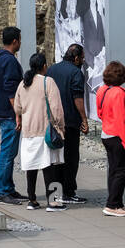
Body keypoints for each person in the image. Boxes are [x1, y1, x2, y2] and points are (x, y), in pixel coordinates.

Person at [14, 52, 67, 212]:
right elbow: (57, 108)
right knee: (50, 166)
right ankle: (53, 201)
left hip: (29, 132)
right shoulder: (48, 82)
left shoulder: (23, 83)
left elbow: (17, 107)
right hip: (46, 131)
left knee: (31, 167)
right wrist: (61, 127)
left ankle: (32, 199)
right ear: (44, 66)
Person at [0, 26, 26, 204]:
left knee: (9, 151)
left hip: (0, 109)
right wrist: (18, 114)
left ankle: (8, 188)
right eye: (19, 39)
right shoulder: (10, 61)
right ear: (14, 41)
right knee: (8, 152)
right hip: (8, 113)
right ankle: (2, 190)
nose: (20, 42)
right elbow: (11, 89)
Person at [47, 43, 88, 204]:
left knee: (56, 157)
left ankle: (56, 193)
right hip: (70, 122)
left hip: (54, 122)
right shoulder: (76, 73)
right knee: (71, 158)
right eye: (82, 58)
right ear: (76, 58)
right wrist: (84, 119)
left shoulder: (52, 69)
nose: (83, 61)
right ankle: (69, 192)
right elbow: (78, 99)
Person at [96, 61, 125, 217]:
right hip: (117, 135)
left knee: (113, 169)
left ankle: (116, 203)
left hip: (106, 133)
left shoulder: (103, 90)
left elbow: (100, 112)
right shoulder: (118, 92)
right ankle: (112, 204)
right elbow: (120, 119)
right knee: (122, 170)